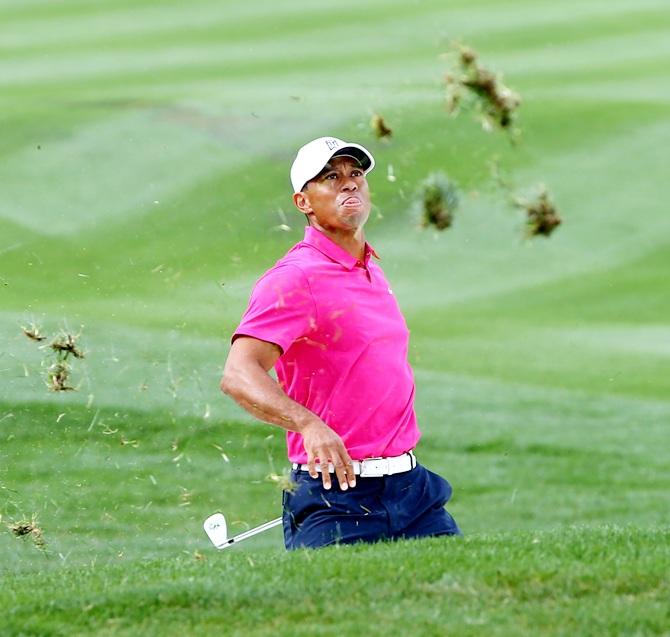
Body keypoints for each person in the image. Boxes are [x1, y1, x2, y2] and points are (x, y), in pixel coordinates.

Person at [221, 136, 460, 549]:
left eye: (356, 175)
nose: (348, 184)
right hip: (335, 496)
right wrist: (307, 425)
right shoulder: (295, 277)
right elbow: (238, 374)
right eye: (331, 177)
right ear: (304, 203)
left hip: (412, 491)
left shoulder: (370, 268)